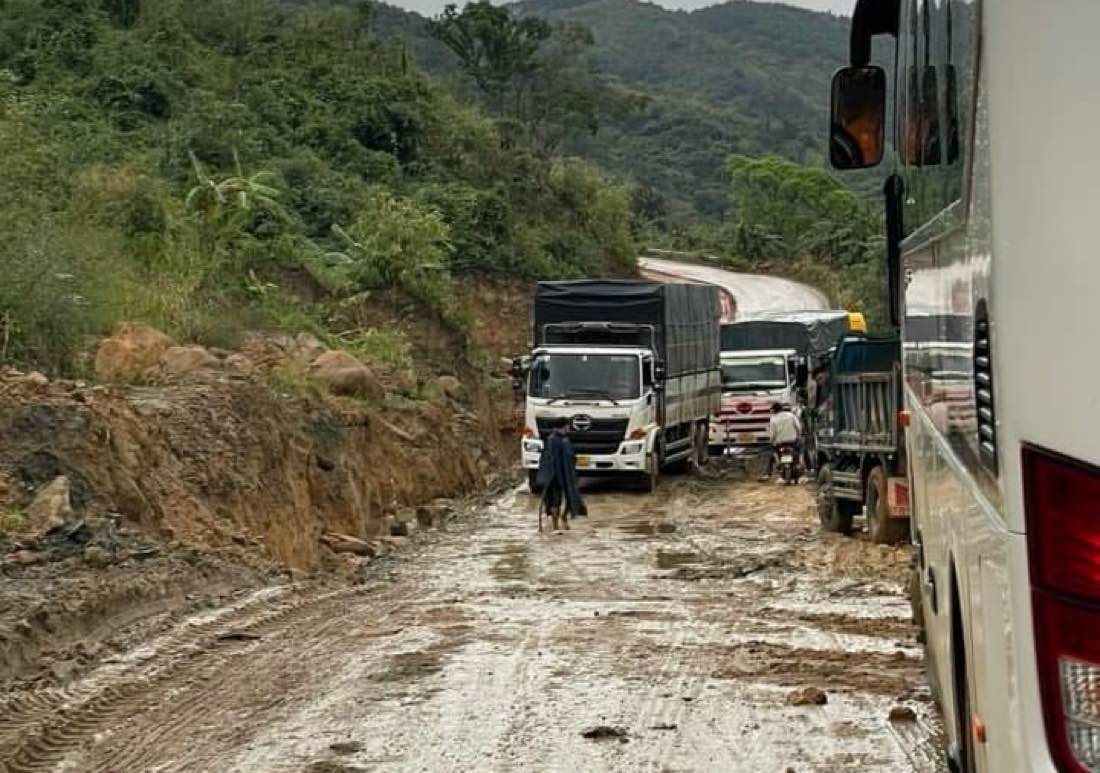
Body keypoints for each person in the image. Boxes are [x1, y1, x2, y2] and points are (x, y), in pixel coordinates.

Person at [536, 416, 584, 530]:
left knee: (571, 497)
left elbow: (569, 456)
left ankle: (564, 518)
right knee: (555, 500)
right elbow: (549, 458)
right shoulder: (552, 440)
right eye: (568, 426)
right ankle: (555, 525)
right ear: (564, 426)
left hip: (567, 474)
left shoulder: (565, 439)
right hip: (556, 476)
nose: (569, 428)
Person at [761, 402, 802, 482]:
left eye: (772, 410)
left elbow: (772, 434)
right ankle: (808, 467)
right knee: (801, 450)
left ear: (774, 410)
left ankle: (768, 473)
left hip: (780, 443)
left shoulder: (773, 419)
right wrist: (798, 436)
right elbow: (798, 427)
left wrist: (771, 441)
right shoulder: (791, 415)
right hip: (792, 441)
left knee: (771, 453)